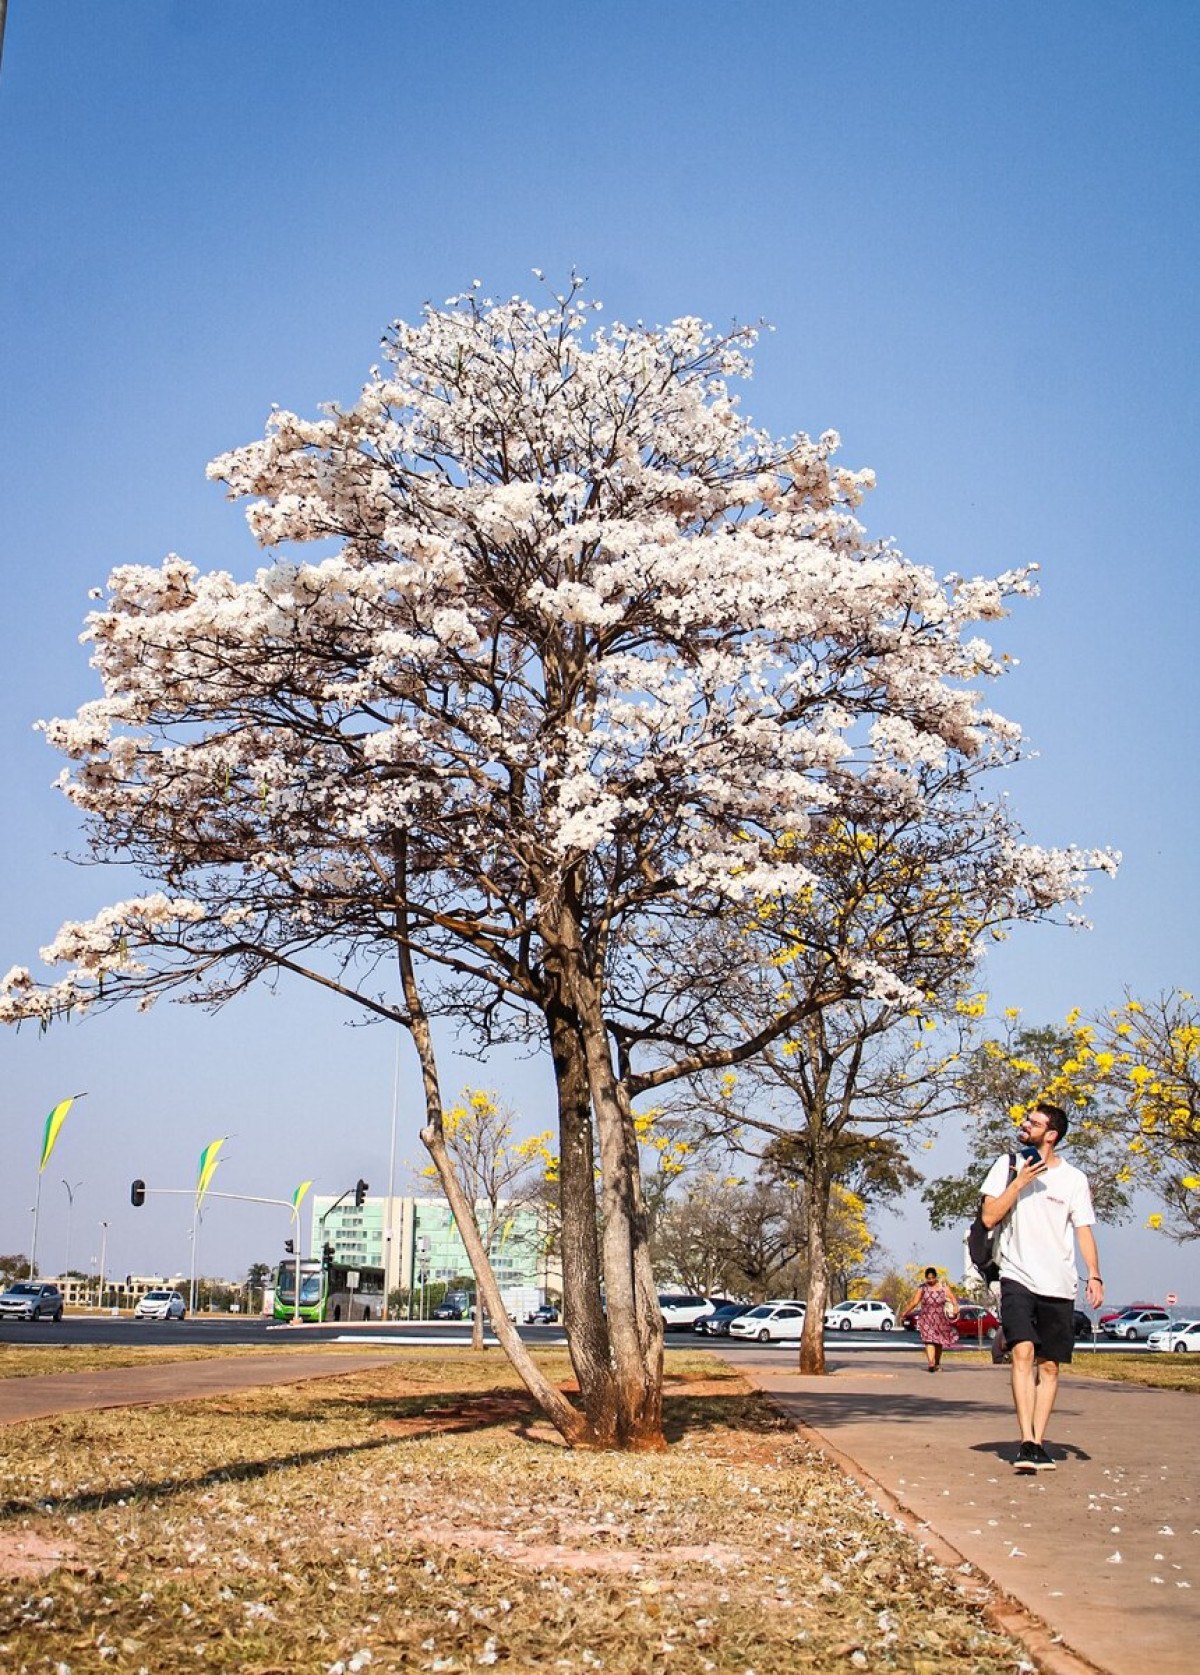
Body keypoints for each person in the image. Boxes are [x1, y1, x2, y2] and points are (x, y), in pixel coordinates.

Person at [980, 1098, 1103, 1474]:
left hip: (1059, 1283)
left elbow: (1083, 1230)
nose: (1024, 1123)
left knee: (1049, 1366)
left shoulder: (1074, 1180)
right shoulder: (1008, 1165)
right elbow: (988, 1217)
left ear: (1051, 1135)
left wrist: (1094, 1274)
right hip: (1018, 1276)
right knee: (1023, 1352)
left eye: (1032, 1121)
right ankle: (1027, 1441)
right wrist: (1020, 1182)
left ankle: (1038, 1439)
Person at [900, 1266, 961, 1371]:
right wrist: (905, 1312)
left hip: (940, 1319)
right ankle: (931, 1363)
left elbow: (952, 1298)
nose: (930, 1280)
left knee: (938, 1342)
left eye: (932, 1278)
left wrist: (955, 1307)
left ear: (935, 1277)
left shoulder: (943, 1287)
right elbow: (915, 1302)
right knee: (929, 1340)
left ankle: (937, 1362)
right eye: (928, 1278)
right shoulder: (922, 1288)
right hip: (926, 1318)